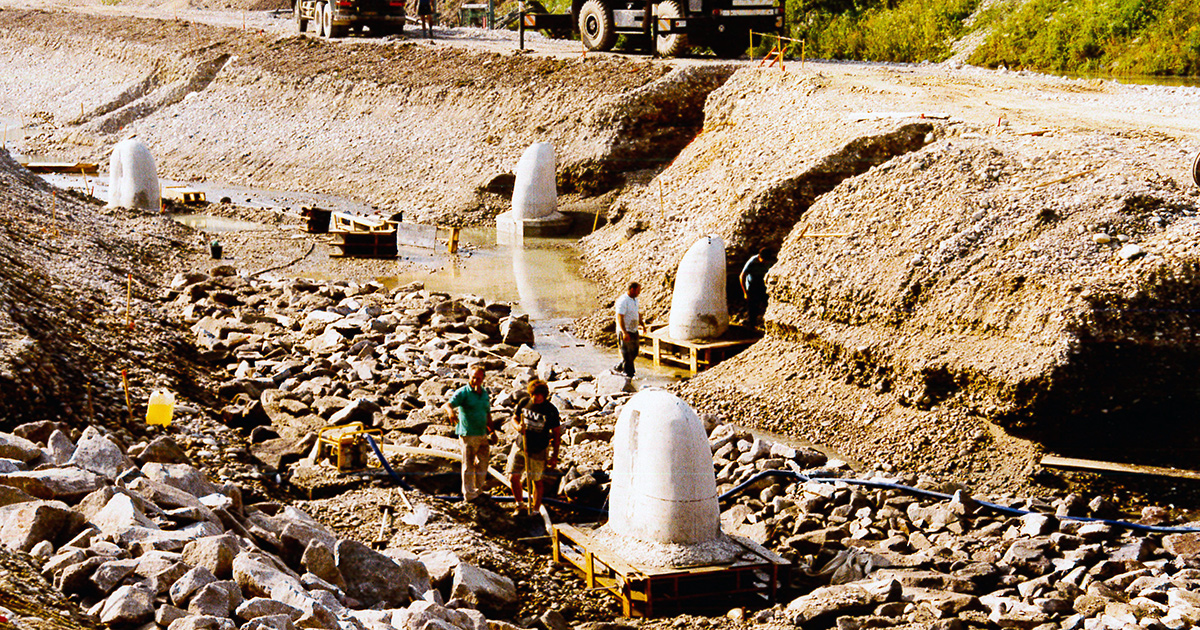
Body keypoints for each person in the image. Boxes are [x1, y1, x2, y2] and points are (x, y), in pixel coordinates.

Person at [506, 379, 561, 515]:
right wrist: (518, 427)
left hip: (538, 450)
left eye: (537, 395)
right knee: (513, 477)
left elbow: (556, 435)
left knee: (536, 481)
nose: (534, 398)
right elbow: (514, 418)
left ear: (543, 395)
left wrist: (554, 456)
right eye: (532, 394)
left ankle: (536, 510)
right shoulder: (524, 402)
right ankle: (520, 504)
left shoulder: (551, 411)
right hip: (520, 445)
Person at [442, 365, 494, 502]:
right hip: (468, 434)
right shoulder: (463, 392)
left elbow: (487, 413)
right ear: (469, 377)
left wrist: (492, 431)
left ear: (483, 379)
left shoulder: (484, 394)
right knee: (468, 465)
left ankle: (479, 490)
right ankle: (470, 494)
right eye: (473, 377)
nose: (475, 380)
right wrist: (451, 412)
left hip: (482, 433)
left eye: (478, 378)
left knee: (483, 463)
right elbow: (448, 405)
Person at [613, 281, 645, 378]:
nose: (639, 293)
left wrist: (642, 324)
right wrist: (624, 332)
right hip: (625, 330)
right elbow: (620, 316)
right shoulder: (623, 301)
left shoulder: (635, 300)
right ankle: (629, 374)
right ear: (632, 290)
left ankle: (619, 367)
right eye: (638, 291)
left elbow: (637, 313)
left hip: (633, 329)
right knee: (627, 353)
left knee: (635, 352)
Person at [740, 248, 771, 329]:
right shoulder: (752, 261)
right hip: (752, 286)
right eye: (763, 260)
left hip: (762, 284)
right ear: (759, 257)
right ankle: (752, 326)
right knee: (752, 307)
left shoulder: (768, 262)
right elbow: (742, 276)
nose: (765, 262)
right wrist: (745, 292)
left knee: (765, 304)